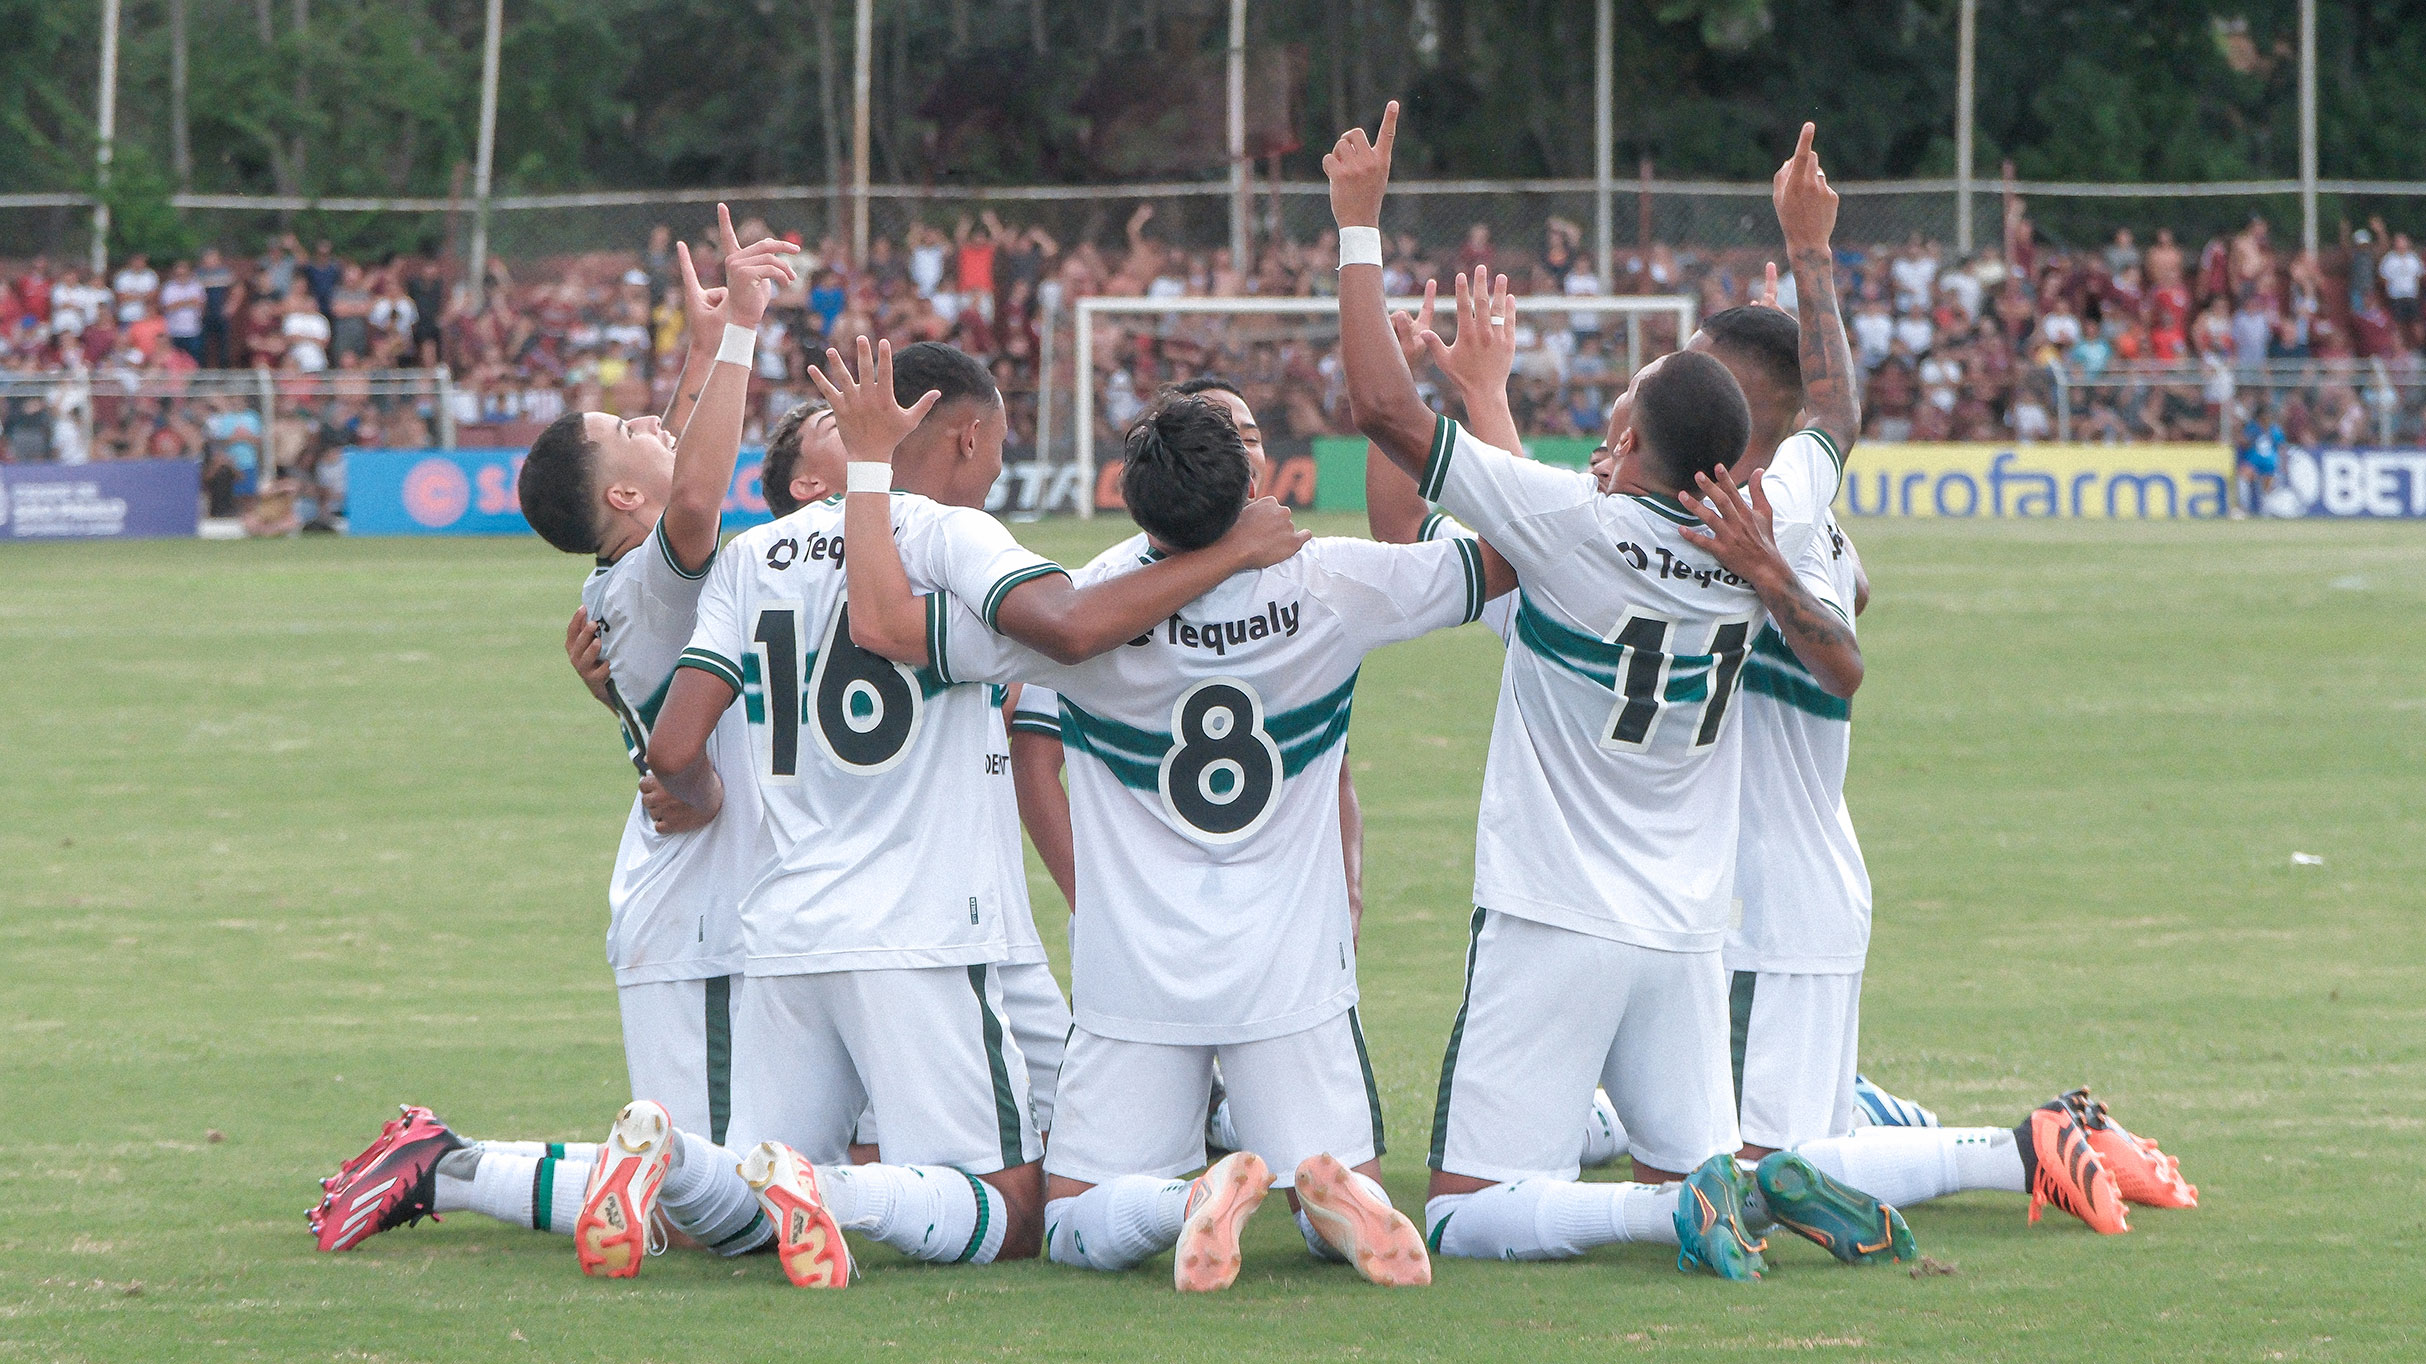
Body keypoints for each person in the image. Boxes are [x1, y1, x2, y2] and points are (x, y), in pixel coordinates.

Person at [1334, 108, 1888, 1282]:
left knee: (1464, 1215)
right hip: (1687, 927)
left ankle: (1667, 1216)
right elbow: (1834, 411)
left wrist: (1357, 228)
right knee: (1676, 1161)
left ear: (1626, 429)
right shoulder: (1769, 526)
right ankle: (1714, 1190)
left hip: (1550, 914)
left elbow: (1387, 420)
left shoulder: (1568, 525)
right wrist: (1808, 247)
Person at [628, 338, 1309, 1287]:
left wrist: (697, 801)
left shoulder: (754, 556)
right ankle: (841, 1198)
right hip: (921, 934)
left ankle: (670, 1157)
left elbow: (672, 749)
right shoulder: (948, 535)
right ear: (970, 433)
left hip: (782, 932)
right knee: (1011, 1213)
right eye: (998, 442)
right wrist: (1236, 549)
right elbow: (1069, 626)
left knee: (741, 1208)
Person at [835, 350, 1503, 1291]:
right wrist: (1483, 404)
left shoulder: (1084, 608)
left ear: (1133, 494)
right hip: (1292, 971)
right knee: (1339, 1190)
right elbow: (1516, 554)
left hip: (1136, 980)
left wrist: (868, 464)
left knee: (1072, 1222)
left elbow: (885, 625)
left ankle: (1183, 1202)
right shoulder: (1335, 584)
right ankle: (1336, 1209)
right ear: (1253, 485)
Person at [308, 208, 803, 1259]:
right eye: (627, 427)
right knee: (718, 1210)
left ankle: (442, 1157)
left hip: (717, 894)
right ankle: (446, 1164)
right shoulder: (650, 576)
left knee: (741, 1174)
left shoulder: (624, 574)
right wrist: (743, 332)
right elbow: (694, 491)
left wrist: (706, 344)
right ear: (624, 491)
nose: (651, 418)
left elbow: (662, 469)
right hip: (700, 914)